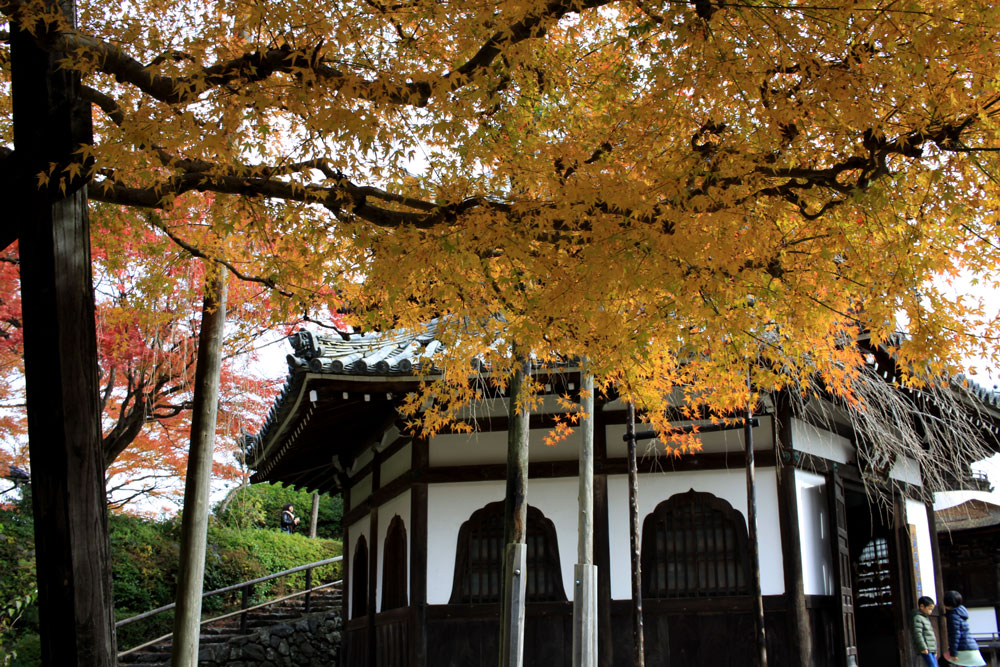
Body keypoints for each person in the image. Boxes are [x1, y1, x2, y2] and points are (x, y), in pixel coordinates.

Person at [943, 590, 987, 666]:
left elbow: (955, 635)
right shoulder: (961, 613)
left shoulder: (953, 617)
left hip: (963, 649)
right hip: (972, 647)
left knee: (942, 661)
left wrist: (953, 653)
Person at [912, 596, 939, 666]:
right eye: (929, 609)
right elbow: (918, 634)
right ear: (922, 606)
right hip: (926, 648)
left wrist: (935, 650)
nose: (931, 611)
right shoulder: (918, 618)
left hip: (931, 648)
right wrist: (923, 647)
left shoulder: (925, 618)